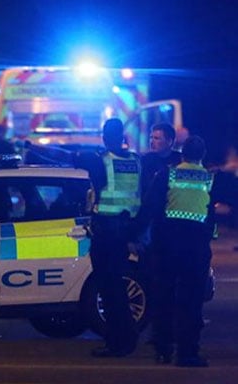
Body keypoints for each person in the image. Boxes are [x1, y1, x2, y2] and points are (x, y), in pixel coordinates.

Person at [136, 136, 215, 367]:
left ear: (182, 154)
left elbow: (149, 208)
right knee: (191, 302)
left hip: (166, 247)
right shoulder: (209, 179)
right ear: (202, 155)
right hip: (196, 249)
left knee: (164, 298)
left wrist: (134, 235)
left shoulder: (167, 175)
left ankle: (163, 350)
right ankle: (188, 353)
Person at [75, 118, 142, 358]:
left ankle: (119, 342)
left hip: (106, 235)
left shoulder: (100, 161)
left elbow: (64, 156)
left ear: (104, 136)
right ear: (123, 135)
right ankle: (125, 338)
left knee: (109, 291)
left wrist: (34, 148)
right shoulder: (135, 161)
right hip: (124, 233)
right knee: (117, 289)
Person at [140, 123, 182, 196]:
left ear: (169, 141)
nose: (152, 142)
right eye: (151, 137)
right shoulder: (145, 160)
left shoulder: (179, 160)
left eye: (156, 138)